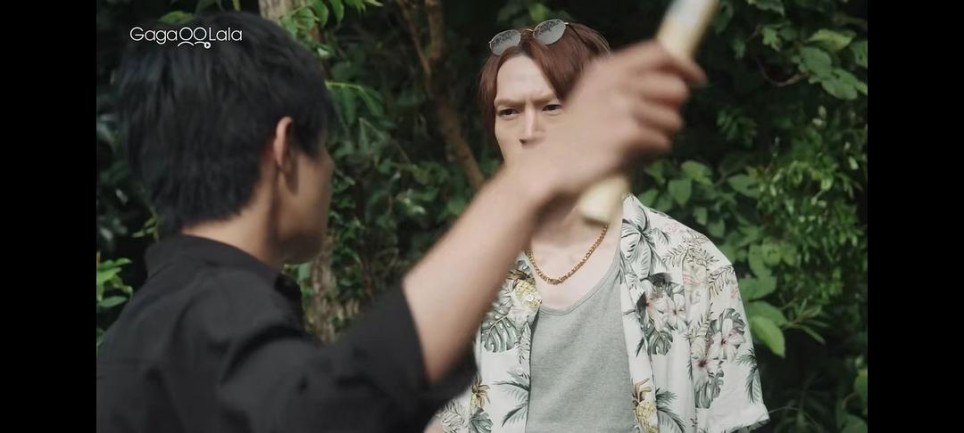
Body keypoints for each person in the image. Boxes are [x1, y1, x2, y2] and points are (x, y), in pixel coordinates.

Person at [95, 11, 706, 433]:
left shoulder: (151, 328)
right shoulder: (217, 315)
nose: (330, 167)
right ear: (284, 150)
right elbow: (338, 411)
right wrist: (534, 180)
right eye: (323, 146)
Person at [429, 20, 770, 433]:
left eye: (552, 107)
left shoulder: (693, 266)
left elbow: (731, 422)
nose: (529, 132)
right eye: (509, 112)